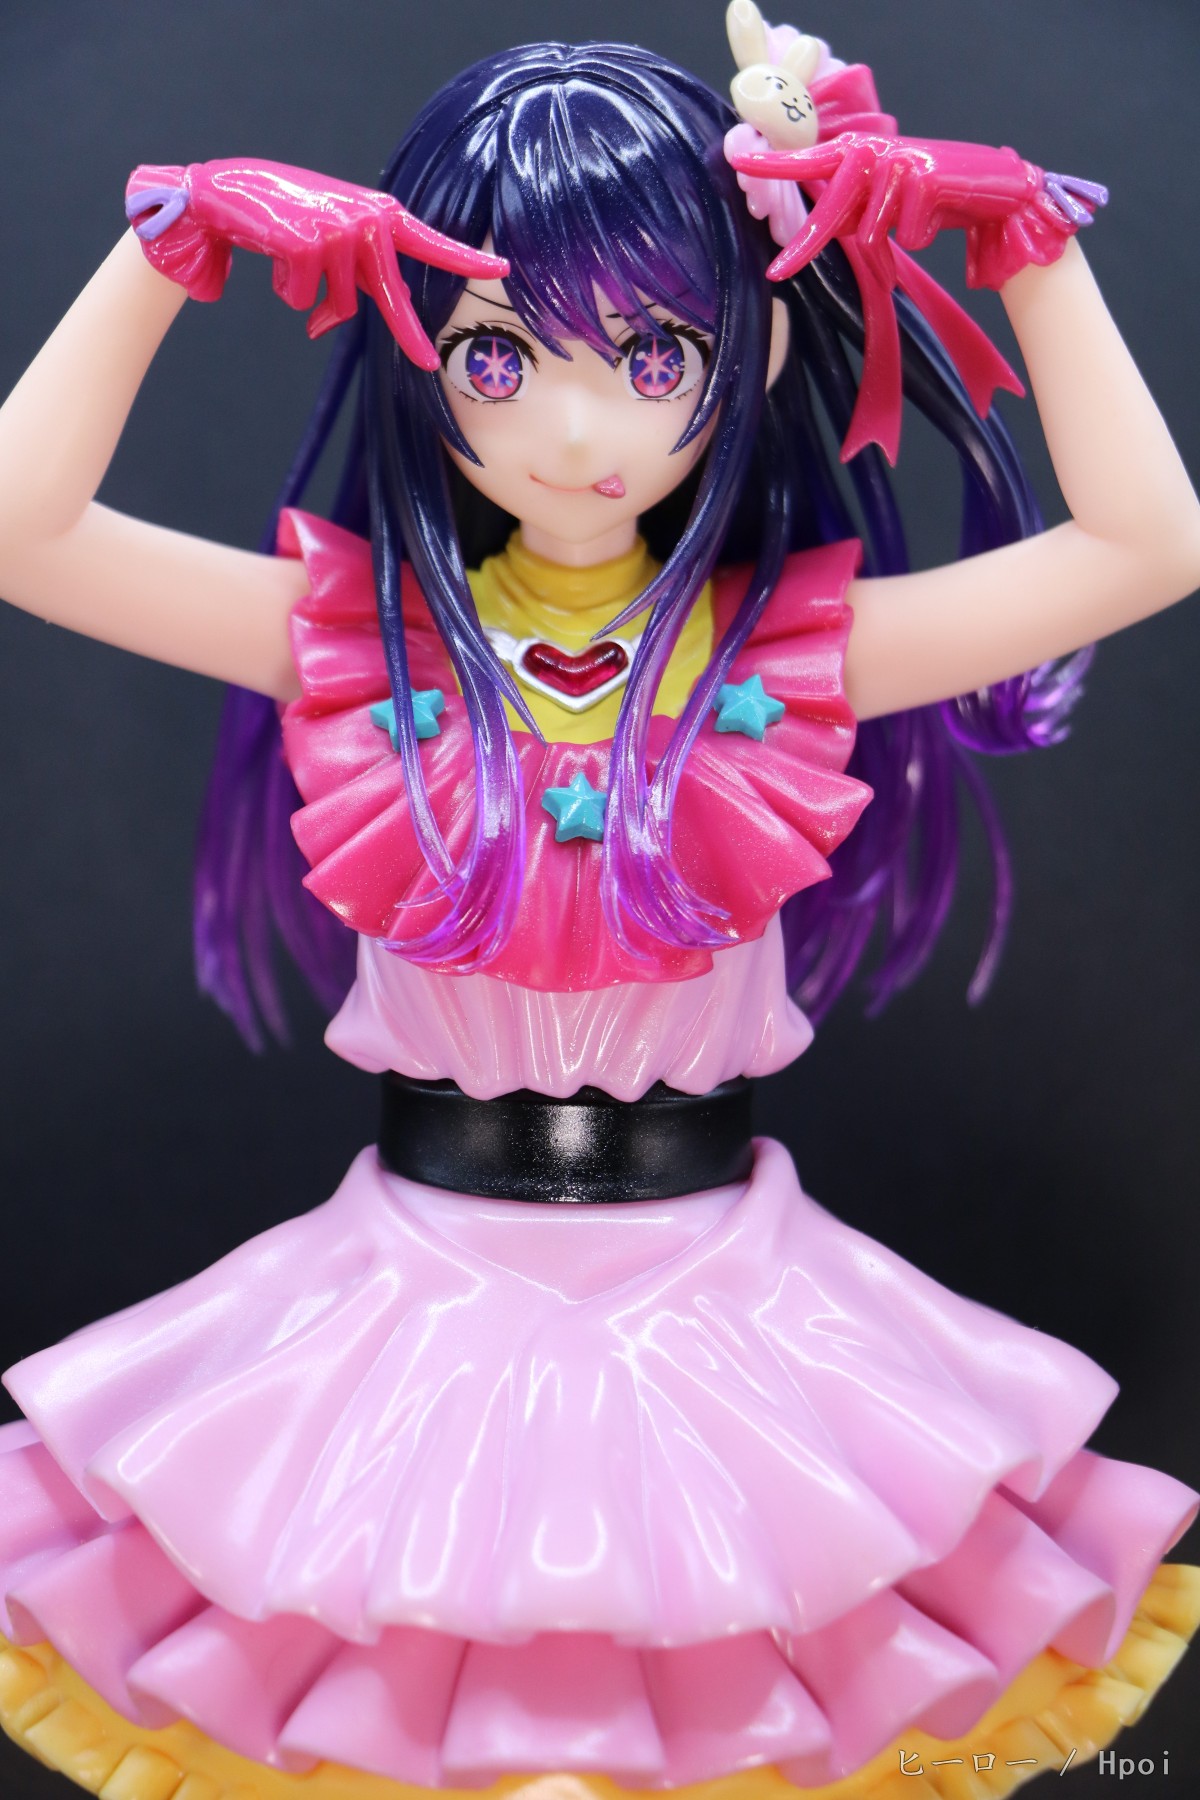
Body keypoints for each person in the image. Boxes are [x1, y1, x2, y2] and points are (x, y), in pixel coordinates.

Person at [0, 17, 1197, 1799]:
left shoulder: (793, 656)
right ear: (420, 354)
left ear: (754, 347)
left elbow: (1147, 543)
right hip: (404, 1306)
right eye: (498, 354)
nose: (575, 429)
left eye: (655, 353)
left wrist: (1022, 235)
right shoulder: (359, 645)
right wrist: (167, 246)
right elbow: (21, 532)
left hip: (730, 1310)